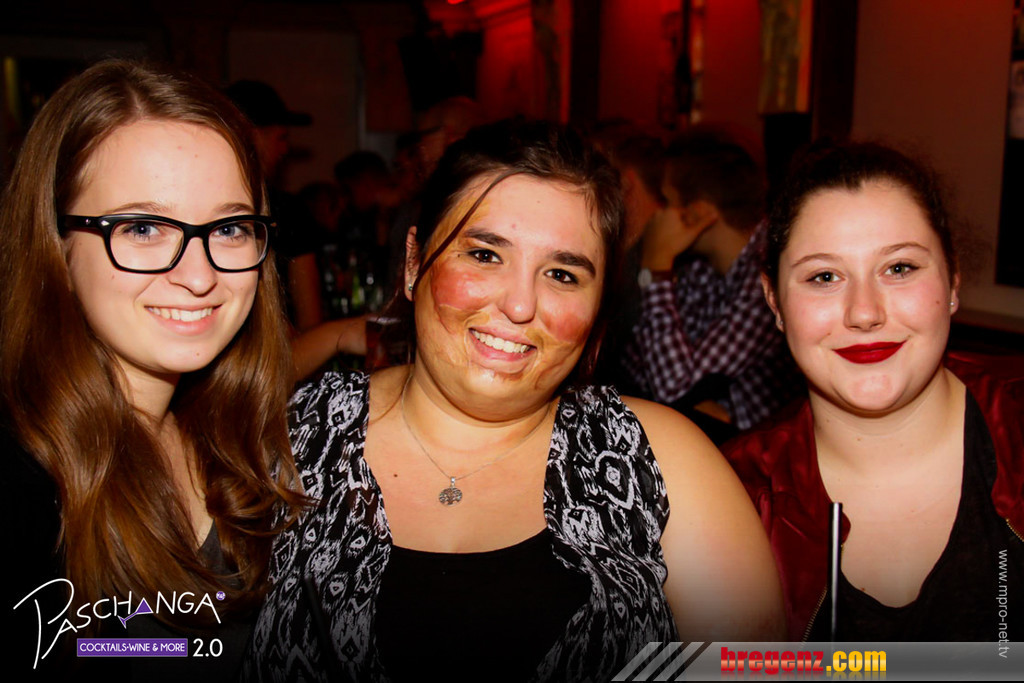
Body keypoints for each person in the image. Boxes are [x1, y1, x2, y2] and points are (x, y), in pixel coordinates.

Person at [245, 119, 784, 682]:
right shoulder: (288, 439)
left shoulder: (660, 460)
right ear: (413, 262)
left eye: (562, 274)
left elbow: (766, 673)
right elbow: (180, 642)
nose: (521, 304)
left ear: (600, 307)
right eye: (484, 255)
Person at [1, 59, 307, 679]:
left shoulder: (236, 437)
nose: (198, 275)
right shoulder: (25, 478)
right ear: (56, 244)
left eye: (229, 227)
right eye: (143, 227)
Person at [723, 141, 1024, 641]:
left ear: (952, 281)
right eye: (824, 276)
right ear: (774, 301)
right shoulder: (732, 500)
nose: (864, 312)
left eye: (899, 268)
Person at [622, 126, 802, 443]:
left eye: (666, 201)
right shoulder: (702, 268)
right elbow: (634, 367)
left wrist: (656, 265)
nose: (658, 215)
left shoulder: (767, 276)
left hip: (765, 455)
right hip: (723, 444)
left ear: (698, 214)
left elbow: (671, 387)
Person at [225, 79, 323, 332]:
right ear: (251, 135)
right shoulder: (288, 210)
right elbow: (310, 319)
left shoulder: (199, 202)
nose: (285, 149)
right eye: (281, 137)